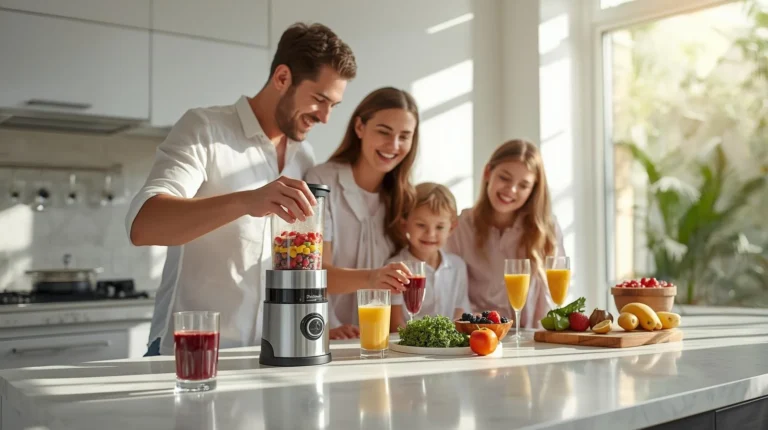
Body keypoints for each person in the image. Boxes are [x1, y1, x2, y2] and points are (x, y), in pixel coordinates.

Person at [125, 23, 357, 356]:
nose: (325, 117)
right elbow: (143, 225)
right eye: (319, 100)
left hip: (272, 356)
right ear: (282, 78)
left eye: (333, 105)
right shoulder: (205, 129)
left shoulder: (304, 157)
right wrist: (248, 200)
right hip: (193, 353)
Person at [304, 87, 420, 340]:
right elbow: (316, 273)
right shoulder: (322, 181)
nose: (394, 145)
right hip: (331, 334)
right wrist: (372, 278)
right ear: (360, 128)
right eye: (384, 132)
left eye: (405, 136)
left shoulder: (405, 197)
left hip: (384, 340)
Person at [445, 139, 565, 328]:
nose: (511, 190)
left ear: (532, 190)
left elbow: (552, 297)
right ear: (487, 173)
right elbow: (450, 292)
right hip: (476, 336)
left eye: (524, 185)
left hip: (529, 340)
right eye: (504, 178)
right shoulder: (460, 227)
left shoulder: (545, 229)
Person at [387, 182, 471, 331]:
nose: (430, 234)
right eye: (421, 225)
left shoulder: (457, 266)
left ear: (451, 228)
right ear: (404, 224)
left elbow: (460, 311)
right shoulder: (395, 267)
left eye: (439, 227)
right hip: (407, 347)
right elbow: (395, 324)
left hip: (446, 350)